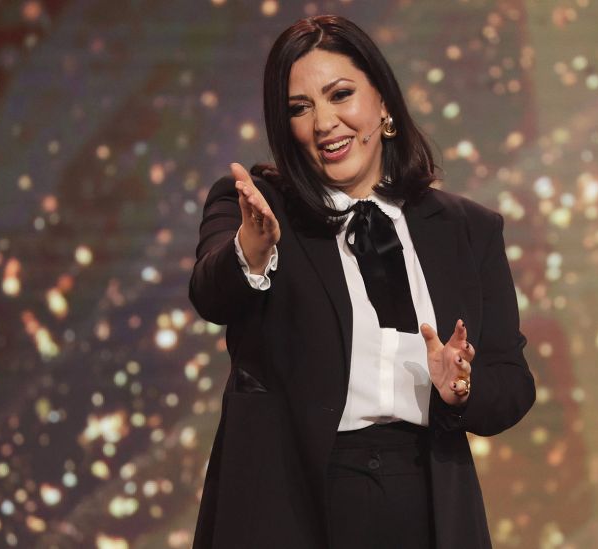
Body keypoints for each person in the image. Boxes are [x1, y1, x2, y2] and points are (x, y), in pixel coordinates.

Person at [189, 15, 535, 549]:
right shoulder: (261, 206)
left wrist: (459, 388)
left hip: (424, 494)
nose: (324, 122)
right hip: (293, 499)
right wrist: (252, 253)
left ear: (384, 104)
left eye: (340, 95)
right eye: (299, 108)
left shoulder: (468, 229)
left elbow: (511, 384)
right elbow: (211, 293)